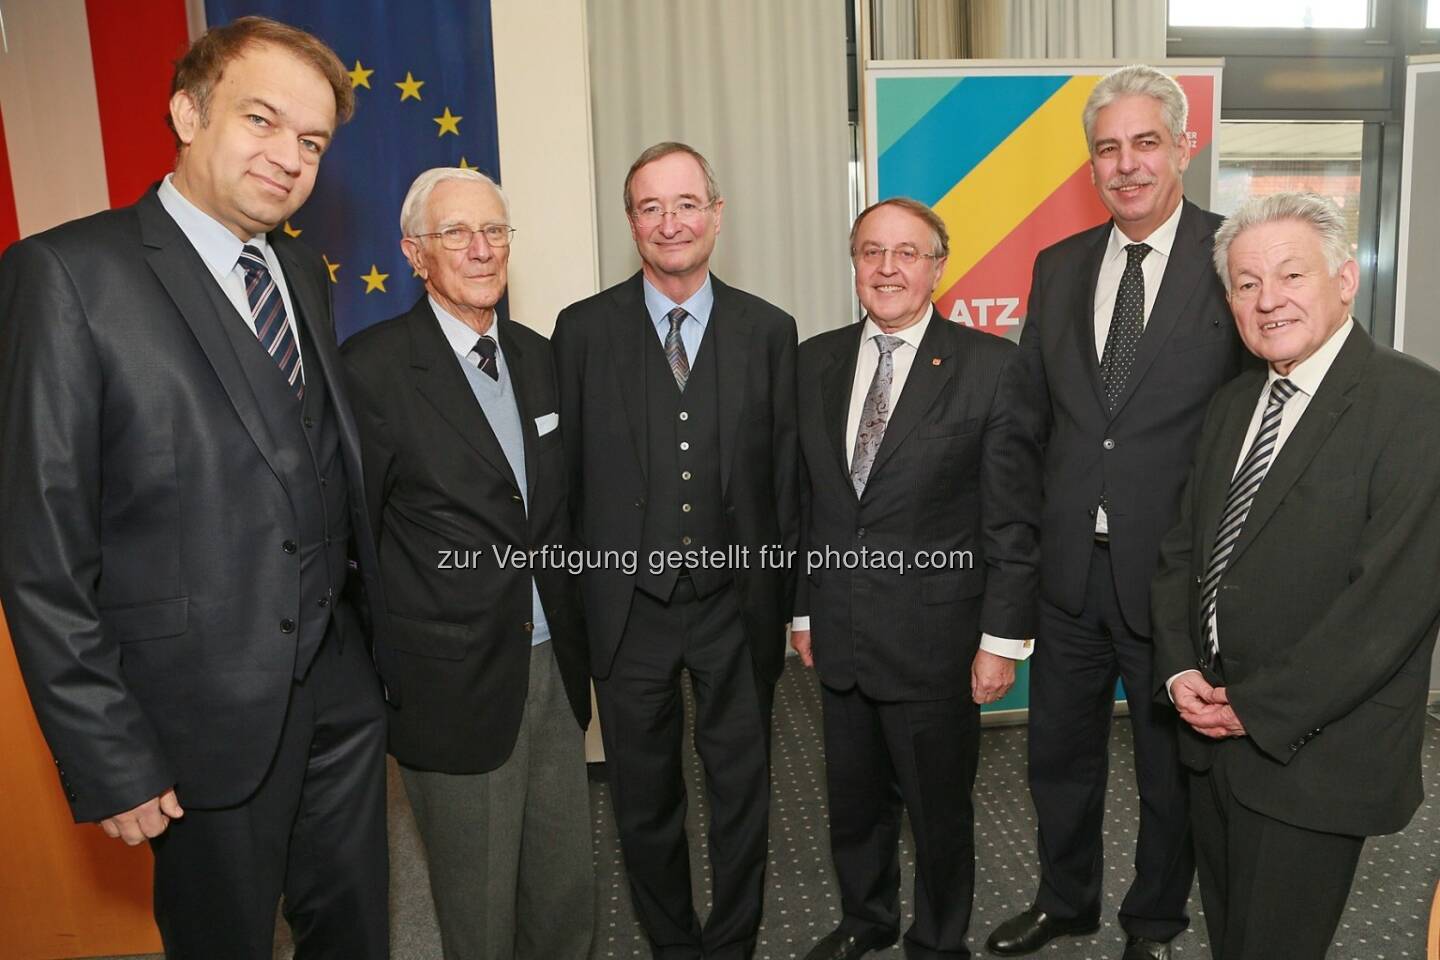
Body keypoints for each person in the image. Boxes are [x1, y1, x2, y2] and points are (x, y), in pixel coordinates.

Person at [0, 17, 389, 958]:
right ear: (186, 110)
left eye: (311, 142)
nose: (289, 158)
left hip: (338, 685)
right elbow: (40, 550)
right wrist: (108, 752)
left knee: (357, 928)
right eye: (262, 120)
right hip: (196, 718)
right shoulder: (65, 275)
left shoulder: (298, 267)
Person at [988, 64, 1250, 960]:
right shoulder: (1057, 267)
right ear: (1090, 165)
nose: (1127, 165)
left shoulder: (1231, 258)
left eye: (1146, 142)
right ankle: (1066, 900)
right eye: (1108, 148)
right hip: (1069, 573)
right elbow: (1029, 424)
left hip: (1173, 577)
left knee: (1169, 770)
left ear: (1184, 145)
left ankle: (1153, 921)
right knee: (1057, 758)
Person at [1151, 191, 1440, 959]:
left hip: (1314, 752)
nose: (1268, 299)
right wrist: (1179, 666)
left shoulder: (1418, 405)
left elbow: (1388, 608)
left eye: (1290, 275)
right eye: (1246, 284)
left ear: (1345, 279)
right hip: (1211, 741)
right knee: (1232, 941)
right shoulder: (1235, 403)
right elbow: (1184, 551)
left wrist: (1251, 709)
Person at [551, 141, 799, 960]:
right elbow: (569, 486)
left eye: (687, 204)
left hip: (737, 610)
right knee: (642, 798)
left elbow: (785, 486)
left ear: (716, 215)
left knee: (740, 792)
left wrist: (790, 599)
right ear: (632, 223)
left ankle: (732, 944)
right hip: (629, 614)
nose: (671, 222)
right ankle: (672, 945)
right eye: (651, 207)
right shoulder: (582, 332)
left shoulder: (770, 330)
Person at [341, 168, 593, 960]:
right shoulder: (372, 369)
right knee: (476, 908)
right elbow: (354, 542)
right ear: (416, 254)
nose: (481, 250)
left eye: (495, 231)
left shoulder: (539, 356)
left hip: (554, 671)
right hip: (449, 682)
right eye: (457, 234)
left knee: (564, 889)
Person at [789, 197, 1039, 960]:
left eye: (907, 253)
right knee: (854, 804)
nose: (887, 268)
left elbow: (1011, 519)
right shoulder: (813, 360)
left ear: (939, 265)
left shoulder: (991, 366)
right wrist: (801, 613)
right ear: (855, 262)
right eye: (871, 251)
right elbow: (805, 502)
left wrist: (1001, 640)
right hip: (838, 632)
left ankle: (937, 938)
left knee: (937, 812)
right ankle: (866, 918)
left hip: (938, 639)